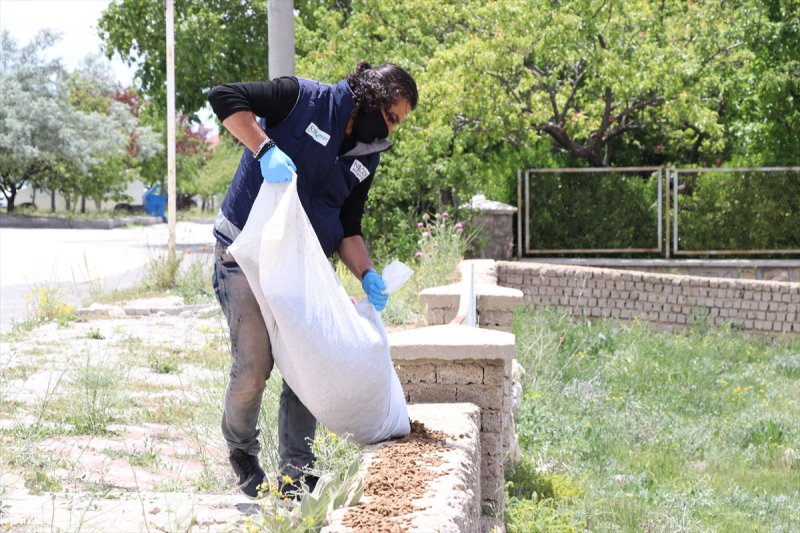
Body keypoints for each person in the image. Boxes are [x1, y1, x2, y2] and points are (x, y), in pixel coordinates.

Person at [207, 61, 418, 499]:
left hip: (301, 269)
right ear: (370, 100)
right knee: (254, 364)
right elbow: (225, 96)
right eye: (391, 117)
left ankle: (295, 474)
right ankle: (242, 451)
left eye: (397, 123)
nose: (390, 130)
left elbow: (349, 226)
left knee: (309, 363)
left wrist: (367, 273)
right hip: (243, 252)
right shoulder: (301, 97)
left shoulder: (368, 154)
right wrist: (264, 148)